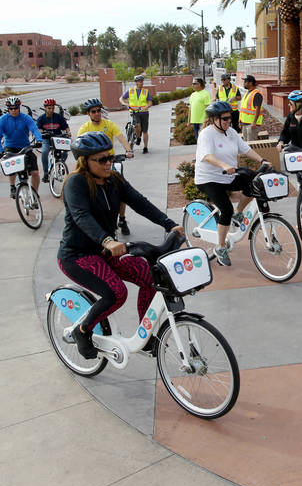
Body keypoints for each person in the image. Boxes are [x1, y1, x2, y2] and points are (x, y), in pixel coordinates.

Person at [58, 132, 184, 360]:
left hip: (107, 251)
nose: (109, 163)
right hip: (77, 255)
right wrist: (107, 240)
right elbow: (81, 216)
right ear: (84, 161)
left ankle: (144, 337)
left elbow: (140, 203)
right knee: (116, 293)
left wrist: (171, 225)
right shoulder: (75, 183)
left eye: (111, 157)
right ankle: (82, 330)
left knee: (151, 277)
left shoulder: (114, 180)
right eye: (102, 160)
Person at [194, 100, 269, 266]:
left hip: (228, 176)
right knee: (225, 209)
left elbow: (245, 149)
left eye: (231, 118)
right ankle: (220, 247)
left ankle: (239, 212)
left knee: (254, 182)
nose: (230, 121)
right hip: (209, 179)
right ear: (215, 119)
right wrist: (224, 165)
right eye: (226, 118)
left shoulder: (231, 132)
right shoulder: (207, 134)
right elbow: (206, 155)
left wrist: (263, 160)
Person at [77, 97, 135, 235]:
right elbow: (78, 146)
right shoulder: (85, 128)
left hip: (111, 161)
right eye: (93, 111)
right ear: (88, 114)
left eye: (99, 111)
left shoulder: (109, 124)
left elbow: (121, 137)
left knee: (121, 189)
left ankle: (122, 219)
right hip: (94, 165)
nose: (97, 113)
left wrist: (128, 150)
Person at [0, 95, 42, 198]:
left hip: (25, 147)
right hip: (10, 147)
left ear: (19, 108)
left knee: (35, 173)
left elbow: (34, 129)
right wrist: (0, 151)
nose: (14, 110)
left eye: (16, 108)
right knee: (12, 167)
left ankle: (35, 194)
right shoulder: (2, 120)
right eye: (11, 109)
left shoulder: (26, 118)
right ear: (8, 109)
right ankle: (12, 186)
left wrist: (39, 140)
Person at [36, 98, 71, 175]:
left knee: (65, 152)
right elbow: (38, 129)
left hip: (57, 138)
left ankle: (60, 164)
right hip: (46, 139)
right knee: (45, 152)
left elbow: (66, 126)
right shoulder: (41, 118)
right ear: (45, 108)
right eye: (49, 108)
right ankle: (45, 172)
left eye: (53, 108)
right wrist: (41, 131)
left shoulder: (58, 117)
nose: (51, 110)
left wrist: (68, 132)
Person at [118, 74, 151, 154]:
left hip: (144, 113)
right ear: (136, 82)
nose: (142, 83)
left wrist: (146, 107)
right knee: (137, 125)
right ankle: (138, 137)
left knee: (145, 131)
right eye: (140, 81)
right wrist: (126, 104)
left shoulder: (145, 91)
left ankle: (145, 147)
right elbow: (121, 98)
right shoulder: (131, 91)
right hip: (134, 112)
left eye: (142, 81)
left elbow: (150, 102)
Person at [238, 74, 264, 141]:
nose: (244, 83)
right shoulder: (248, 93)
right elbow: (243, 110)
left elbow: (257, 109)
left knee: (251, 145)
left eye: (245, 82)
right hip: (244, 123)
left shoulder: (256, 94)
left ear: (250, 83)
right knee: (246, 145)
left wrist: (254, 122)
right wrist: (240, 122)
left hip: (251, 125)